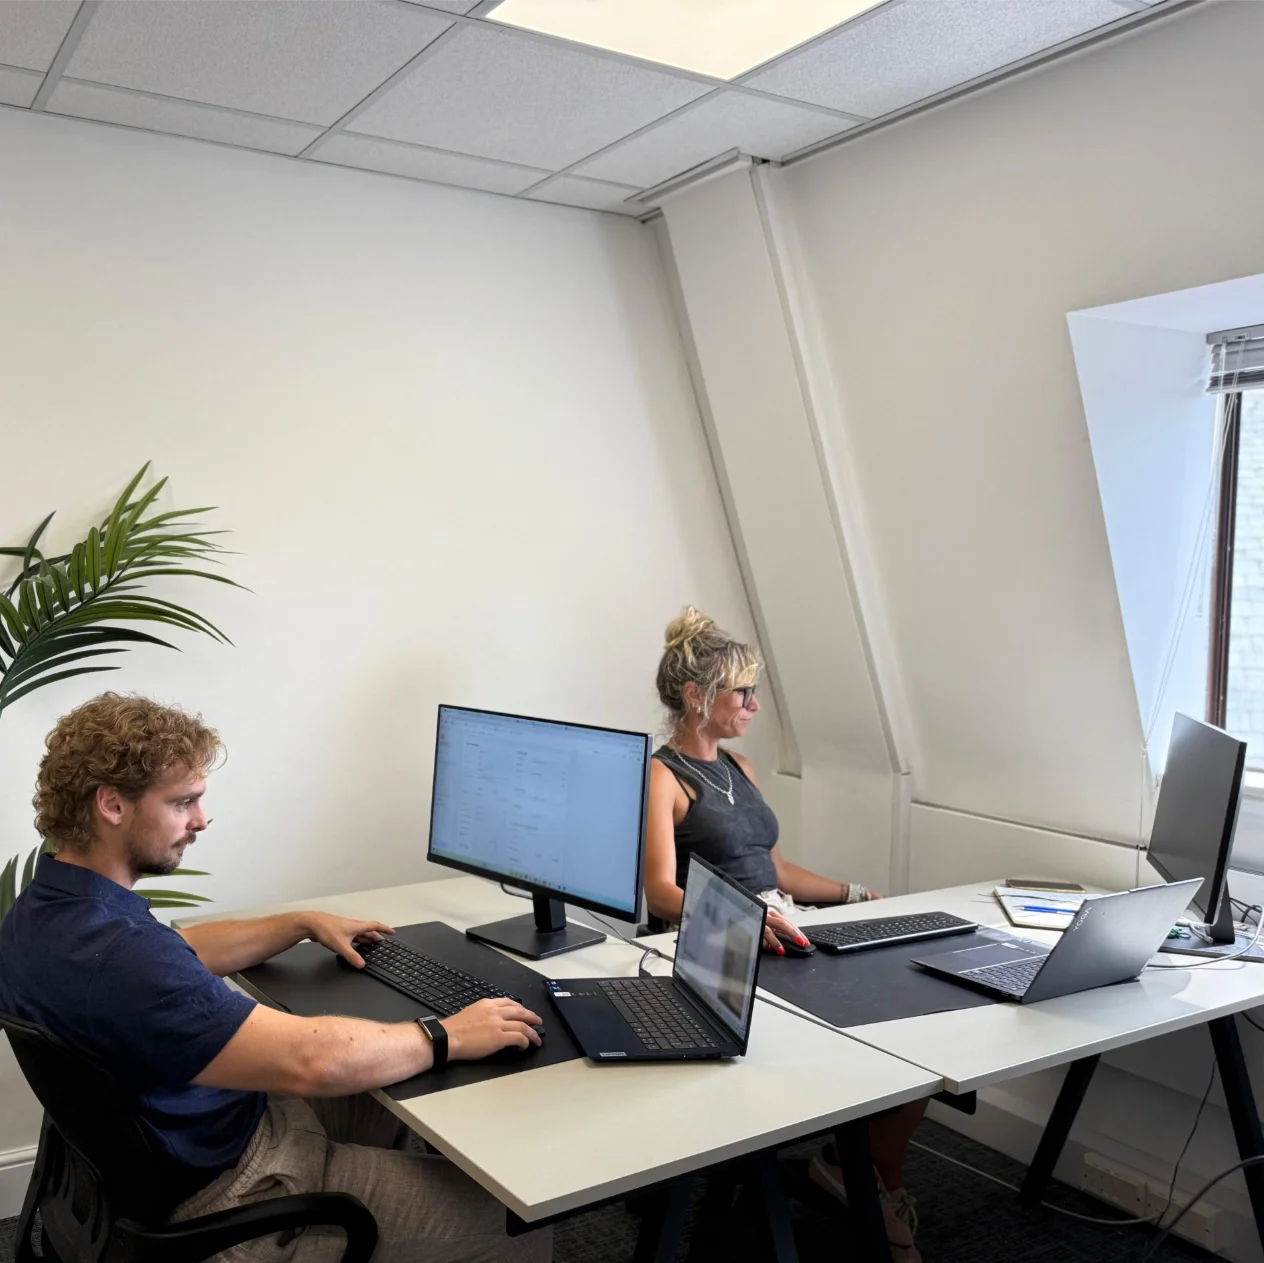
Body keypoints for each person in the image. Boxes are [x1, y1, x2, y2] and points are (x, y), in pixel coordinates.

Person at [0, 693, 550, 1263]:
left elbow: (177, 948)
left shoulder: (49, 910)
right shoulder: (121, 957)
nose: (201, 821)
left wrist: (296, 923)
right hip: (235, 1193)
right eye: (183, 802)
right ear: (112, 804)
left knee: (385, 1081)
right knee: (517, 1224)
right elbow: (310, 1062)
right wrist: (447, 1034)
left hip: (180, 1151)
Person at [644, 608, 926, 1263]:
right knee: (869, 1023)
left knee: (913, 1011)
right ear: (697, 697)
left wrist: (854, 891)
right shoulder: (663, 776)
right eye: (742, 692)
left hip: (781, 921)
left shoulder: (741, 766)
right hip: (721, 941)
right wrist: (743, 915)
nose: (753, 704)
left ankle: (862, 1168)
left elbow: (768, 864)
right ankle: (858, 1173)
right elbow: (661, 891)